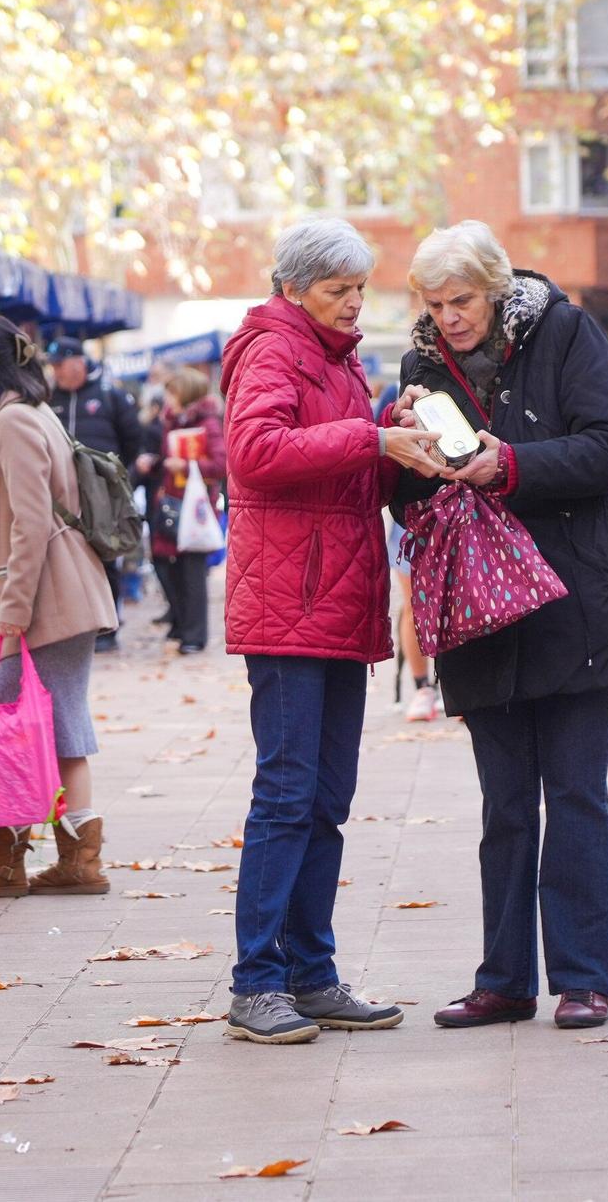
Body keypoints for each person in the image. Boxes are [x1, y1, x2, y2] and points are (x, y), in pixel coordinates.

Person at [392, 221, 608, 1035]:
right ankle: (504, 979)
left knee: (573, 793)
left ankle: (581, 975)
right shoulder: (419, 365)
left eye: (462, 300)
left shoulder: (565, 331)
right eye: (435, 305)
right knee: (504, 804)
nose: (450, 318)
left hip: (575, 597)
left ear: (495, 287)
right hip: (482, 607)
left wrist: (511, 465)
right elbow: (406, 505)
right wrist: (407, 460)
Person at [221, 217, 440, 1045]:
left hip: (336, 600)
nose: (355, 303)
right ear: (293, 288)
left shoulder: (339, 360)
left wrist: (398, 436)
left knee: (325, 799)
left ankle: (310, 973)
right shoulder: (273, 347)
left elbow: (351, 472)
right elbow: (255, 451)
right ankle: (255, 982)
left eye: (359, 288)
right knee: (286, 793)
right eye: (338, 289)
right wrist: (372, 433)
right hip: (289, 603)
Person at [0, 314, 118, 898]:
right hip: (59, 592)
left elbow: (30, 525)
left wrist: (12, 613)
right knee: (58, 723)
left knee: (17, 724)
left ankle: (7, 858)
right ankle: (67, 858)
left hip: (43, 599)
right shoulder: (29, 413)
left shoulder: (9, 421)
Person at [47, 337, 142, 651]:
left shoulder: (109, 395)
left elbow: (133, 441)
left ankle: (108, 626)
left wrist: (118, 482)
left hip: (101, 495)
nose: (56, 372)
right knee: (66, 558)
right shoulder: (48, 399)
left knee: (105, 555)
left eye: (60, 364)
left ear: (79, 361)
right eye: (53, 366)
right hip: (62, 497)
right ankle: (76, 627)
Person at [136, 366, 224, 654]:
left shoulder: (208, 423)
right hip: (171, 502)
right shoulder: (173, 421)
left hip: (194, 507)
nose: (168, 399)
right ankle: (181, 624)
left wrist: (184, 466)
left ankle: (194, 636)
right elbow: (170, 457)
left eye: (172, 393)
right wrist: (156, 463)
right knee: (164, 563)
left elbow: (221, 465)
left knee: (192, 571)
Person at [375, 382, 437, 721]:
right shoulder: (396, 390)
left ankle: (454, 684)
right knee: (415, 602)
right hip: (410, 513)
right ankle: (422, 687)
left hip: (456, 506)